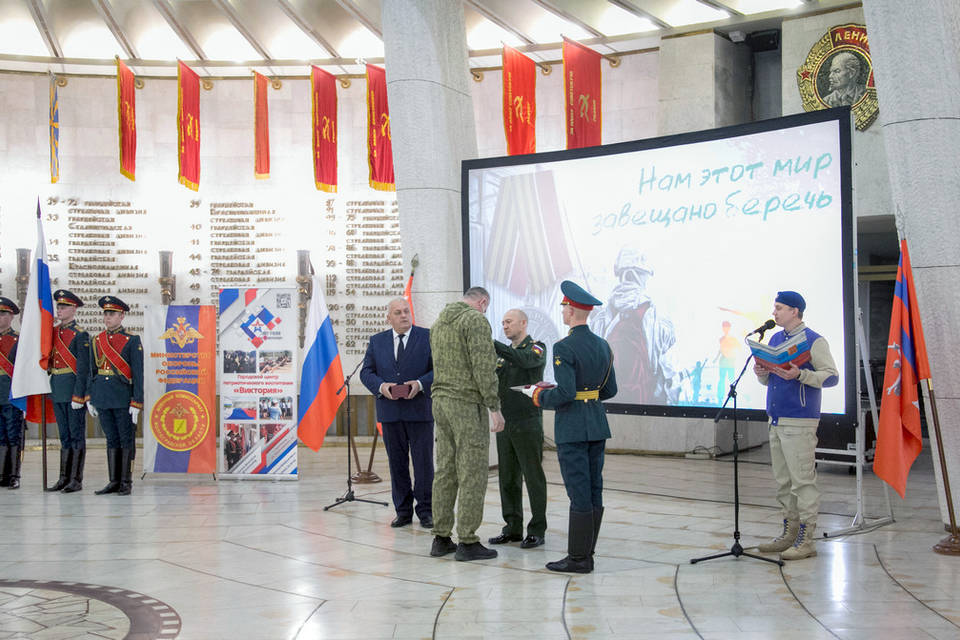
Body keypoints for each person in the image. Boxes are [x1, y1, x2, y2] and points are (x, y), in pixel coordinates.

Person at [524, 281, 617, 573]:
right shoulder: (603, 345)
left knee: (578, 492)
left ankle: (578, 559)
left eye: (564, 307)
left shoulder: (564, 346)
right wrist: (585, 394)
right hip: (597, 425)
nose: (562, 311)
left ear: (573, 310)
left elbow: (564, 394)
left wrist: (537, 394)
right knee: (593, 490)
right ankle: (587, 552)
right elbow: (610, 390)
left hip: (574, 427)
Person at [753, 291, 838, 560]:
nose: (774, 313)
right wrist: (762, 374)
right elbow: (773, 381)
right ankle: (789, 532)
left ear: (795, 311)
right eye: (774, 308)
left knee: (802, 481)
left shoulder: (814, 341)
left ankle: (806, 538)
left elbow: (832, 377)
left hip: (799, 420)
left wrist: (801, 374)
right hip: (776, 419)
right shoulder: (776, 339)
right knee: (783, 482)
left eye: (779, 308)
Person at [428, 287, 505, 561]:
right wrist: (494, 407)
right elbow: (484, 367)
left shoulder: (439, 323)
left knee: (446, 470)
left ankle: (441, 537)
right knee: (472, 472)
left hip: (440, 402)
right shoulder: (475, 320)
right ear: (482, 303)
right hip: (465, 405)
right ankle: (468, 541)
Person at [360, 297, 435, 529]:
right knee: (397, 464)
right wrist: (382, 387)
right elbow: (366, 372)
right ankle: (403, 511)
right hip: (390, 412)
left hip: (420, 410)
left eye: (406, 311)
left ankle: (425, 511)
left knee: (423, 464)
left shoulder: (427, 336)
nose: (404, 315)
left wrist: (420, 384)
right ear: (388, 318)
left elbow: (439, 369)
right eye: (398, 312)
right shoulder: (377, 341)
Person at [489, 309, 548, 549]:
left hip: (527, 421)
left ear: (523, 323)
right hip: (506, 421)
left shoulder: (537, 348)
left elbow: (524, 362)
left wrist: (492, 343)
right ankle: (512, 527)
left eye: (509, 322)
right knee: (508, 478)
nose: (505, 326)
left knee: (533, 477)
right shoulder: (503, 356)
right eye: (502, 322)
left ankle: (537, 529)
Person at [590, 248, 681, 404]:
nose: (646, 279)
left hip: (606, 404)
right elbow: (669, 373)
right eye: (645, 274)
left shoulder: (599, 320)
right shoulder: (658, 317)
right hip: (647, 407)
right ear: (636, 274)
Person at [88, 296, 143, 496]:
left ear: (122, 316)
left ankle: (126, 481)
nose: (108, 317)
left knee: (125, 439)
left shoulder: (132, 340)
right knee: (111, 439)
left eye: (112, 314)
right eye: (105, 313)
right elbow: (92, 372)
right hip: (102, 396)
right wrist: (91, 397)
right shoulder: (96, 340)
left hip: (122, 397)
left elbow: (138, 373)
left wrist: (137, 401)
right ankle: (113, 480)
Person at [46, 290, 91, 492]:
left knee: (76, 435)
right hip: (57, 387)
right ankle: (63, 477)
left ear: (74, 309)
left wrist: (79, 395)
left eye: (64, 307)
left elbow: (83, 369)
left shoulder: (81, 335)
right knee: (64, 436)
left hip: (73, 389)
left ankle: (76, 479)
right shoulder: (53, 332)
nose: (60, 310)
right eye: (59, 307)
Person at [0, 297, 24, 489]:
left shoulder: (18, 340)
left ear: (11, 316)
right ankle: (2, 474)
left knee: (13, 434)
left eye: (3, 314)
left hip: (11, 394)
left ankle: (14, 475)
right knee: (0, 436)